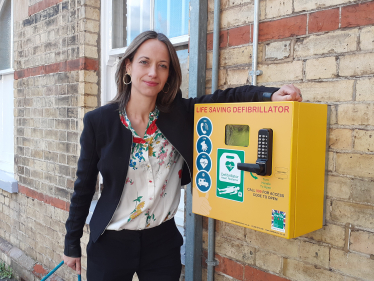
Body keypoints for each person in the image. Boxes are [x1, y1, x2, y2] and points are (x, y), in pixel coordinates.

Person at [63, 31, 302, 281]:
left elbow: (225, 98)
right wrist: (72, 243)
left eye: (162, 66)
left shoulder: (180, 115)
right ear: (128, 66)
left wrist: (271, 95)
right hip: (111, 241)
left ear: (168, 75)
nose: (153, 72)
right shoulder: (99, 122)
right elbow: (84, 187)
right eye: (144, 62)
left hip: (161, 243)